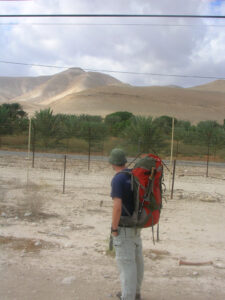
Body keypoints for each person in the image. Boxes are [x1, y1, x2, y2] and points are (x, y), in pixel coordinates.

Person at [109, 148, 144, 300]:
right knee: (137, 260)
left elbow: (117, 206)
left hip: (124, 228)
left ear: (112, 163)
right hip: (137, 225)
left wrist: (114, 228)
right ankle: (135, 293)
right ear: (124, 160)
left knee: (126, 263)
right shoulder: (133, 175)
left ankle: (128, 296)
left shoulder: (118, 179)